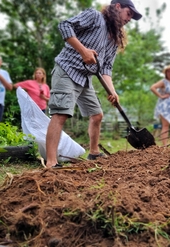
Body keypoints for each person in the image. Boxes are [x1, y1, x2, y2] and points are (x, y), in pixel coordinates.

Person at [45, 0, 142, 167]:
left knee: (97, 115)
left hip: (85, 78)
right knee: (61, 114)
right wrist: (83, 51)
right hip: (67, 70)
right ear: (117, 6)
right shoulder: (94, 17)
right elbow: (64, 26)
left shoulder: (114, 38)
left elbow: (106, 69)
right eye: (129, 13)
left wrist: (112, 91)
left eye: (132, 16)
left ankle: (94, 153)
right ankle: (51, 162)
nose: (129, 19)